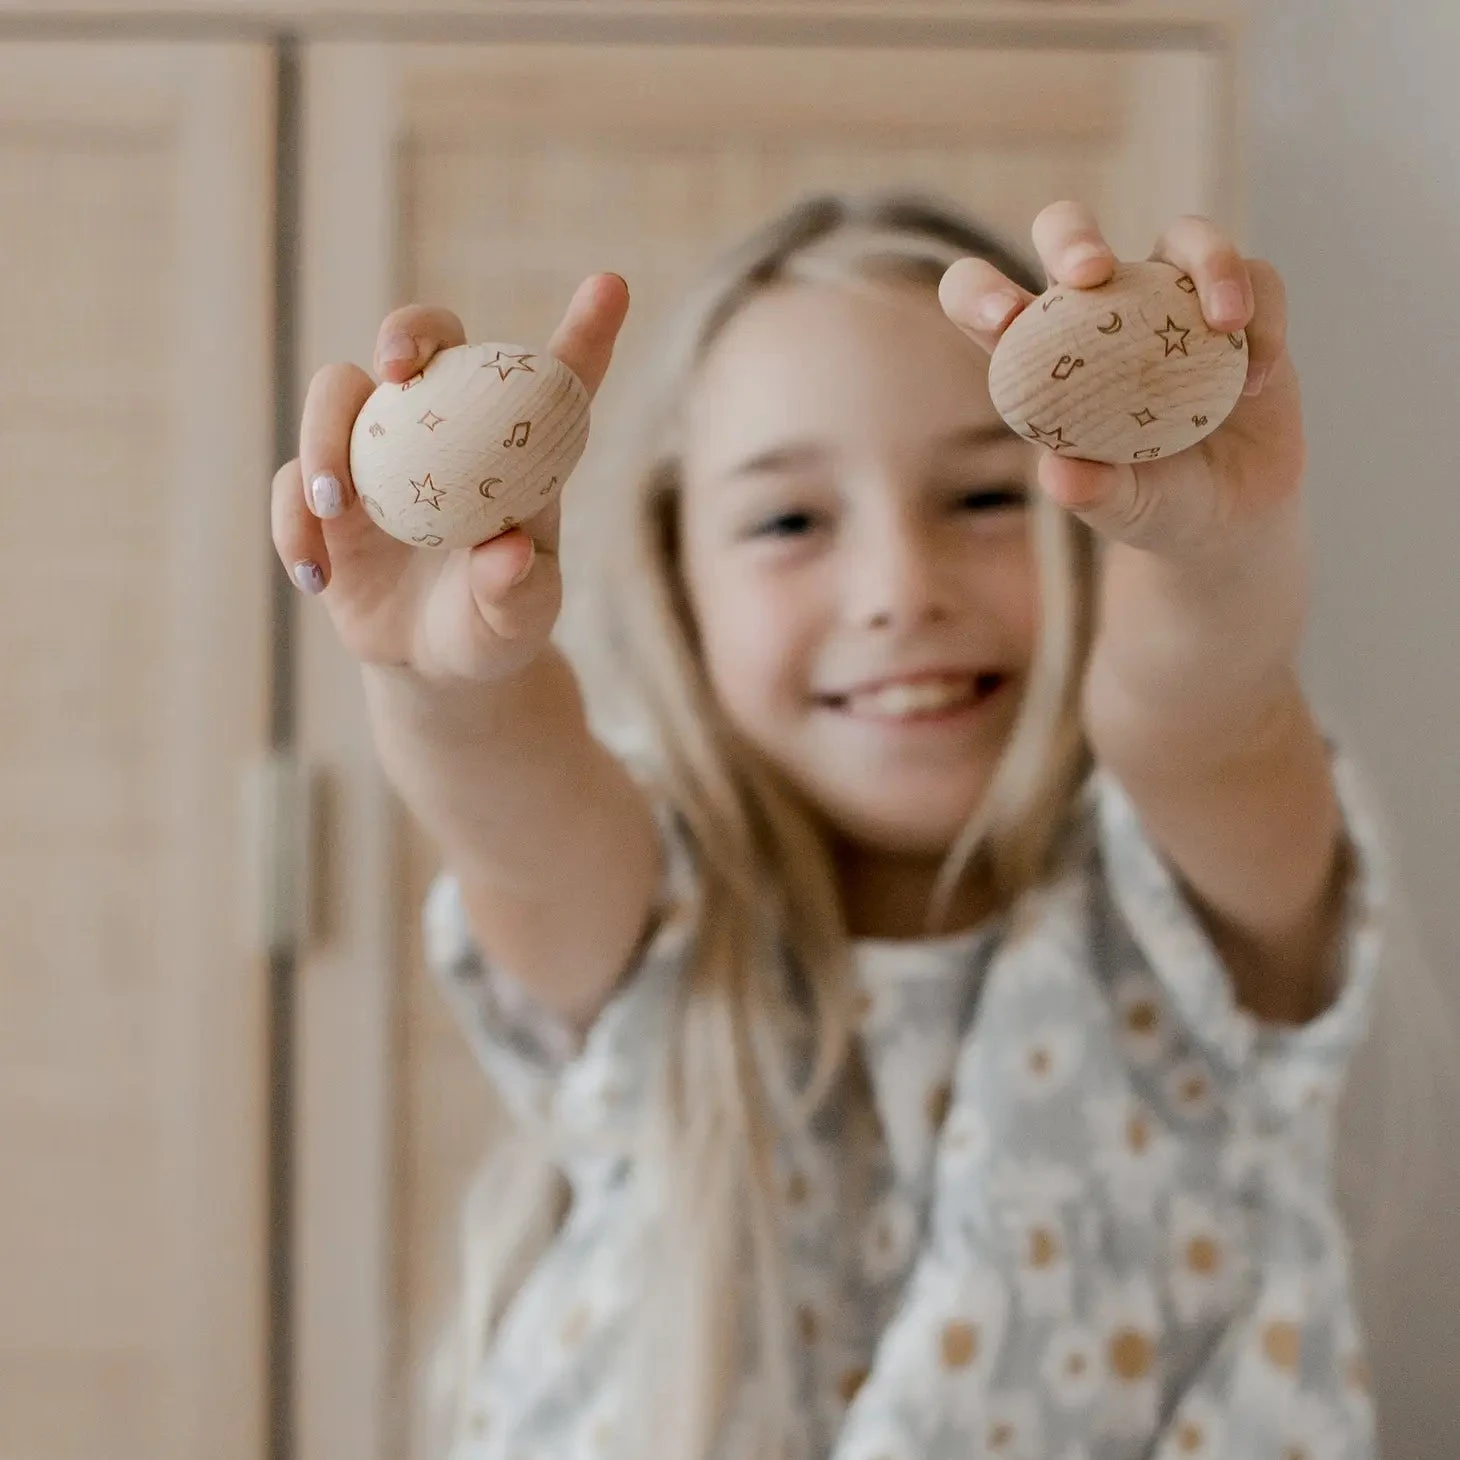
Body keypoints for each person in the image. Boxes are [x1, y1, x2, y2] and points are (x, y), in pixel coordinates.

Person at [273, 192, 1391, 1460]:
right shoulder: (664, 916)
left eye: (982, 497)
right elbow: (510, 801)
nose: (899, 590)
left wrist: (1211, 548)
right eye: (790, 521)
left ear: (1091, 523)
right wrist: (438, 673)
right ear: (678, 580)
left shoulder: (1177, 905)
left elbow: (1201, 705)